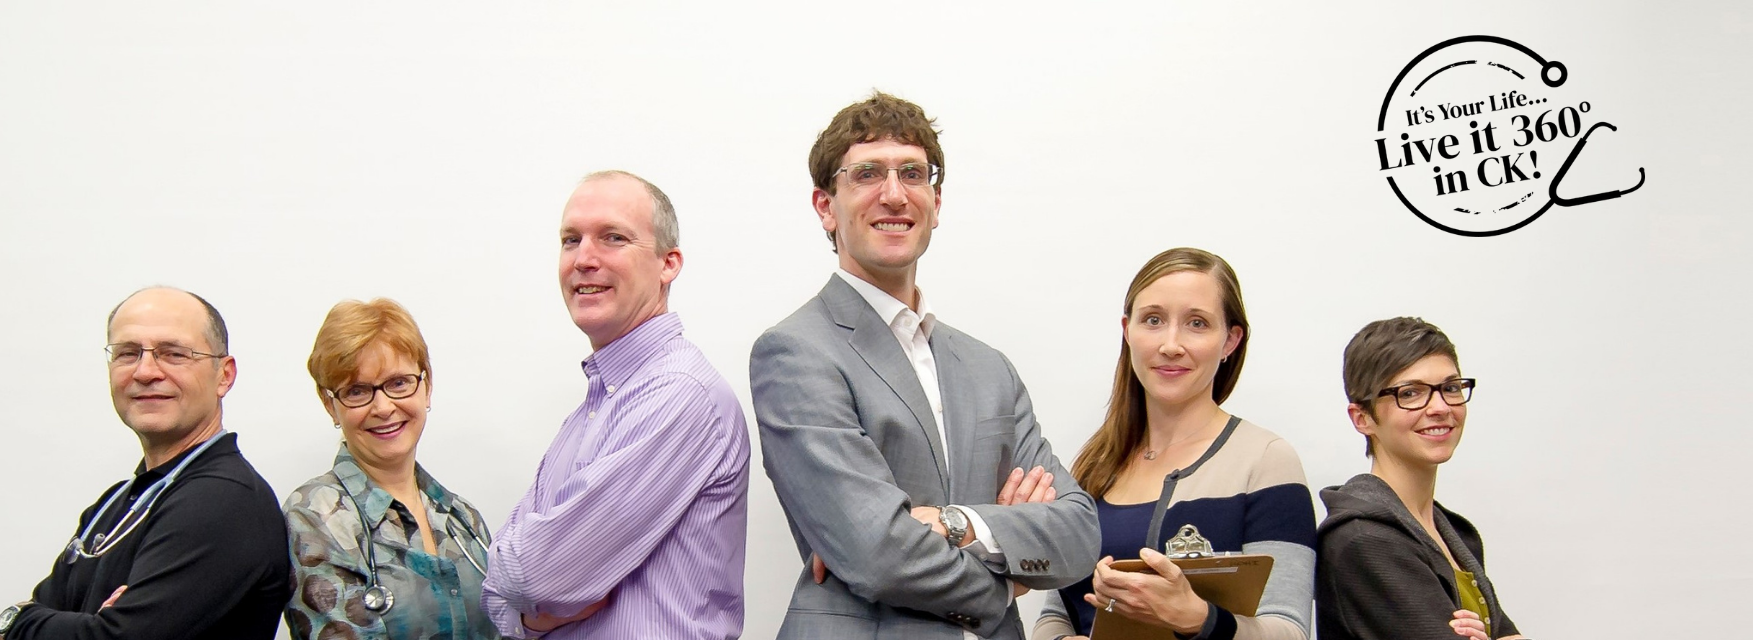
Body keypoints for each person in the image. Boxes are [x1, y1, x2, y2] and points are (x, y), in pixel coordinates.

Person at [749, 91, 1099, 640]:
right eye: (867, 174)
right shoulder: (795, 352)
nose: (894, 194)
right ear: (825, 206)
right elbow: (876, 550)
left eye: (912, 173)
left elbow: (1077, 532)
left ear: (936, 199)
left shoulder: (989, 368)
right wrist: (1009, 580)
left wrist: (952, 522)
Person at [480, 171, 750, 640]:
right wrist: (525, 614)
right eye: (570, 240)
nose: (584, 258)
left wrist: (515, 571)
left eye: (612, 238)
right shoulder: (595, 406)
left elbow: (538, 573)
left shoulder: (678, 395)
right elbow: (496, 596)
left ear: (669, 263)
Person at [1033, 248, 1316, 640]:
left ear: (1231, 340)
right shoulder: (1094, 467)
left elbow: (1291, 630)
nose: (1170, 344)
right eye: (1153, 320)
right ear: (1127, 330)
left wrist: (1198, 619)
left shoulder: (1266, 461)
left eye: (1197, 323)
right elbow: (1057, 610)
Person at [0, 287, 291, 640]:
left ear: (224, 375)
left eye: (174, 353)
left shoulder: (224, 501)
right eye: (127, 353)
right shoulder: (115, 505)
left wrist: (16, 622)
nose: (146, 371)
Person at [282, 298, 500, 639]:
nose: (383, 407)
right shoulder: (315, 516)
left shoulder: (463, 519)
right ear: (330, 405)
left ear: (426, 386)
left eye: (398, 383)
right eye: (357, 391)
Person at [1316, 317, 1526, 640]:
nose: (1440, 407)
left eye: (1451, 388)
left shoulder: (1455, 534)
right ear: (1362, 418)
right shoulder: (1364, 541)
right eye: (1411, 393)